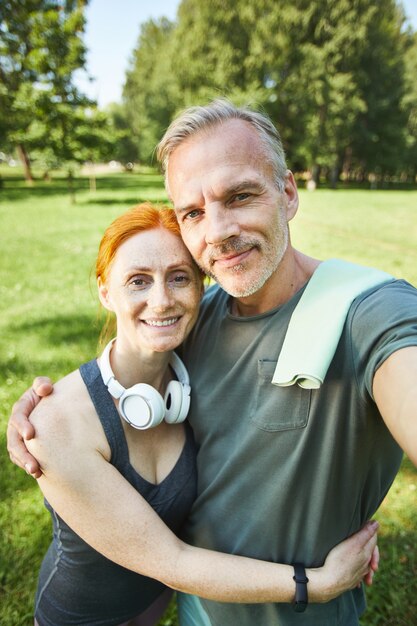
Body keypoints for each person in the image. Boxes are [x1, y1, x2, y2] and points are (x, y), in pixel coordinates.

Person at [8, 98, 417, 625]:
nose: (218, 231)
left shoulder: (372, 312)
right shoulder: (197, 315)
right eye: (193, 213)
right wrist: (44, 408)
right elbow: (126, 361)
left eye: (240, 195)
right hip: (195, 611)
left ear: (287, 193)